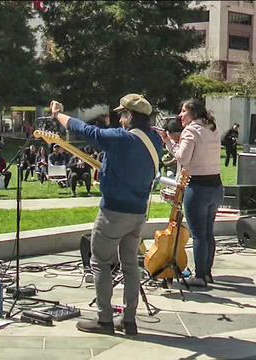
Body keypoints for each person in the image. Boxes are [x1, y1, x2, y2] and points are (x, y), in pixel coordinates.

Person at [50, 93, 162, 336]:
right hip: (138, 212)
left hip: (113, 212)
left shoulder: (123, 139)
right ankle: (129, 320)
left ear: (130, 115)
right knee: (131, 264)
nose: (120, 119)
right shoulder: (155, 139)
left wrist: (58, 114)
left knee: (100, 262)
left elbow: (87, 131)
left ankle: (104, 319)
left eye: (122, 114)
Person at [158, 98, 223, 287]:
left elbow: (183, 158)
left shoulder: (190, 131)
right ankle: (207, 272)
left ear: (192, 113)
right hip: (216, 185)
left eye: (183, 111)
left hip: (198, 187)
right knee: (208, 232)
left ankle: (201, 275)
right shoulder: (212, 128)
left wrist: (169, 142)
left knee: (198, 235)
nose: (180, 115)